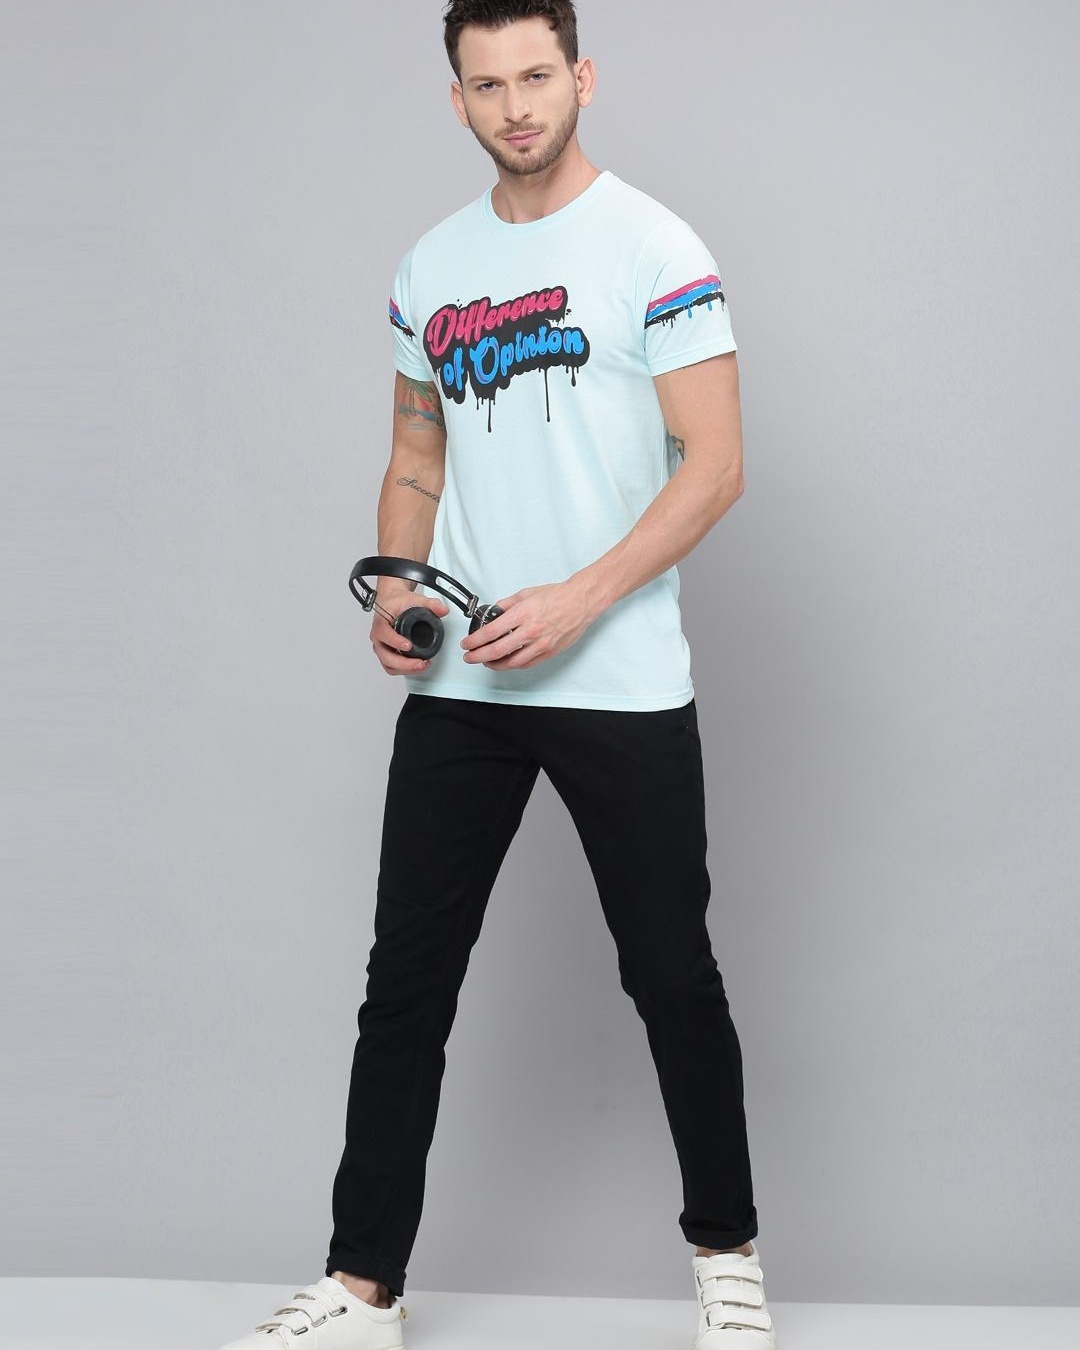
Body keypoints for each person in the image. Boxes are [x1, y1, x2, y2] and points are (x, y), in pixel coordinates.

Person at [218, 2, 778, 1347]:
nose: (517, 105)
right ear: (457, 99)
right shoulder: (431, 265)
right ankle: (364, 1285)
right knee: (406, 981)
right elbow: (417, 458)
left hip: (618, 676)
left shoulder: (656, 248)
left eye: (537, 75)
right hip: (464, 687)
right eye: (488, 84)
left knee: (670, 975)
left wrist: (579, 598)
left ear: (581, 77)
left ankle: (728, 1258)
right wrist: (400, 585)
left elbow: (716, 466)